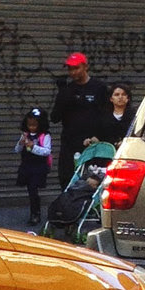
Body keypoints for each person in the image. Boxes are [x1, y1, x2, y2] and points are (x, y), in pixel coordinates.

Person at [50, 52, 110, 188]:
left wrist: (99, 137)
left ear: (85, 67)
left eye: (76, 68)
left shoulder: (99, 87)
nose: (72, 72)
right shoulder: (68, 90)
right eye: (70, 69)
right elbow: (54, 118)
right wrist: (62, 95)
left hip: (91, 144)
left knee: (90, 181)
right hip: (70, 144)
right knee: (67, 179)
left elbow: (106, 116)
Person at [13, 108, 51, 225]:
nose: (31, 127)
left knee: (34, 189)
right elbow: (17, 150)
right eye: (29, 125)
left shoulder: (45, 136)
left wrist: (33, 147)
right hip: (27, 165)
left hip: (38, 167)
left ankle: (36, 213)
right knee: (30, 189)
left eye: (34, 125)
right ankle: (33, 212)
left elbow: (46, 151)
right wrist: (21, 143)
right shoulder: (25, 135)